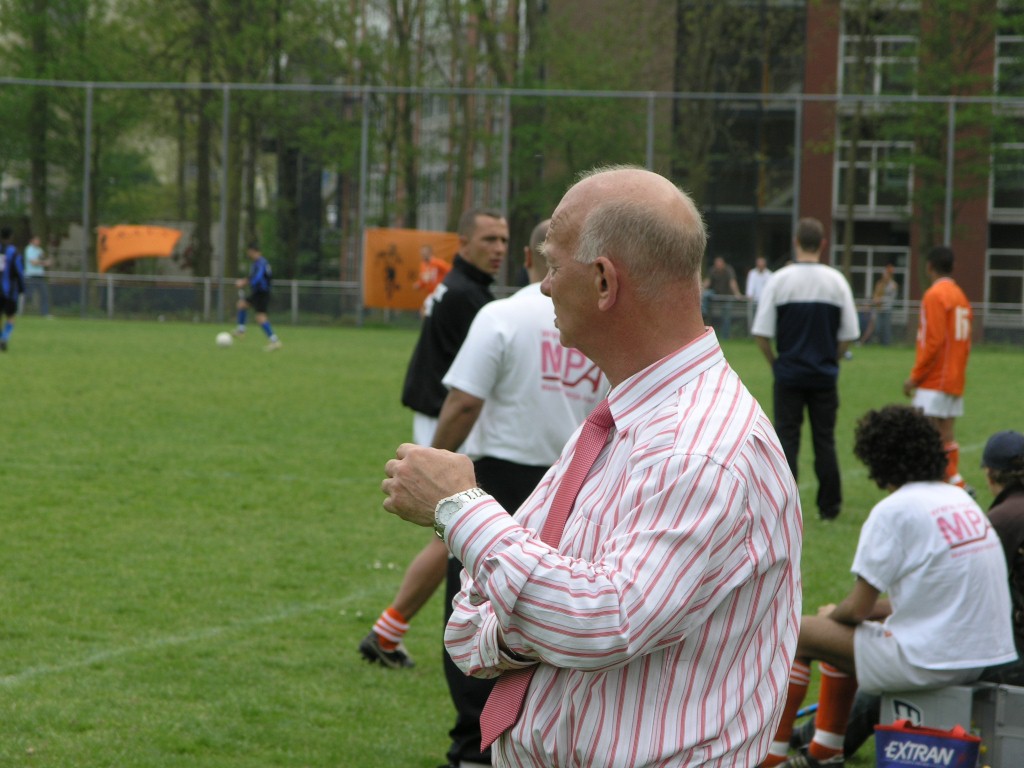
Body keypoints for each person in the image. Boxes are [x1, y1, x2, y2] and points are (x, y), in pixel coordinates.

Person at [381, 165, 803, 767]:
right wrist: (536, 621)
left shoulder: (699, 447)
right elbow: (470, 622)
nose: (545, 287)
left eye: (553, 266)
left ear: (604, 281)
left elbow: (603, 620)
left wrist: (461, 510)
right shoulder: (623, 418)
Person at [762, 404, 1016, 768]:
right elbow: (922, 599)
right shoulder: (961, 500)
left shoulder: (895, 510)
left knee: (798, 631)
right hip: (983, 656)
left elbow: (858, 609)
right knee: (845, 634)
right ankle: (824, 751)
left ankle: (771, 756)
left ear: (876, 460)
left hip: (934, 659)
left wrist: (833, 615)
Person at [359, 208, 509, 671]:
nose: (498, 249)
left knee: (459, 534)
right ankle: (389, 633)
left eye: (504, 240)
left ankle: (389, 633)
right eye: (488, 239)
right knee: (455, 537)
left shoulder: (463, 288)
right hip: (449, 421)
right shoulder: (469, 297)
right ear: (463, 243)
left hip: (440, 416)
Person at [752, 218, 860, 520]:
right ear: (823, 244)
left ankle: (785, 507)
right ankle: (829, 507)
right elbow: (849, 334)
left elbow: (761, 333)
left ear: (796, 242)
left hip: (788, 375)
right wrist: (833, 358)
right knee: (824, 440)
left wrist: (775, 363)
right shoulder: (836, 282)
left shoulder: (779, 281)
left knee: (787, 440)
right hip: (824, 376)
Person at [903, 246, 972, 488]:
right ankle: (953, 483)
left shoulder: (935, 295)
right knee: (946, 435)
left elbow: (933, 341)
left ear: (929, 266)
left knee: (924, 436)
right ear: (953, 267)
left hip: (935, 379)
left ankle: (953, 484)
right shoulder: (960, 296)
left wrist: (915, 377)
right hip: (954, 376)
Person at [232, 242, 282, 351]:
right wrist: (245, 281)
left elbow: (258, 277)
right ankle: (241, 330)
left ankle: (274, 341)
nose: (250, 255)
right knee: (241, 305)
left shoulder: (261, 263)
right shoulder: (256, 263)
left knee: (260, 317)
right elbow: (253, 276)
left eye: (251, 253)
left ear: (257, 252)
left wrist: (244, 282)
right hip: (258, 292)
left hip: (262, 293)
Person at [702, 254, 741, 338]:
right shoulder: (713, 270)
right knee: (706, 293)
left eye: (719, 264)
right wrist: (700, 290)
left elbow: (732, 282)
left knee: (726, 316)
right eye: (716, 264)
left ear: (723, 264)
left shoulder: (729, 270)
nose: (718, 266)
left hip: (726, 297)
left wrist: (737, 293)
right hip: (715, 295)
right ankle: (704, 311)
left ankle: (725, 336)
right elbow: (708, 282)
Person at [0, 227, 26, 352]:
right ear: (11, 236)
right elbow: (19, 272)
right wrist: (22, 288)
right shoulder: (13, 252)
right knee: (10, 316)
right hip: (10, 291)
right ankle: (4, 337)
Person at [860, 262, 897, 346]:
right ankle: (878, 341)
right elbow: (876, 294)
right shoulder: (880, 284)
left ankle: (886, 343)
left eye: (885, 274)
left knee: (886, 327)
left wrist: (881, 299)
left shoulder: (893, 285)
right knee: (878, 326)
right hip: (879, 308)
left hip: (887, 309)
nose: (884, 276)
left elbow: (890, 298)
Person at [23, 235, 52, 317]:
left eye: (39, 241)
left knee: (44, 294)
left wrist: (46, 262)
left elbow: (43, 261)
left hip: (40, 276)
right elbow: (33, 262)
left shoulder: (40, 250)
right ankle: (21, 311)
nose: (38, 242)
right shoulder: (29, 249)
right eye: (36, 240)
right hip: (31, 276)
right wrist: (43, 262)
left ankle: (45, 313)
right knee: (28, 295)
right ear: (32, 241)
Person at [745, 255, 773, 327]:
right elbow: (750, 286)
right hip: (754, 302)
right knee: (754, 320)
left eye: (761, 264)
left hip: (765, 302)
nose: (760, 266)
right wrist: (749, 295)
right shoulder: (752, 273)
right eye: (759, 264)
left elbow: (770, 288)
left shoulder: (769, 274)